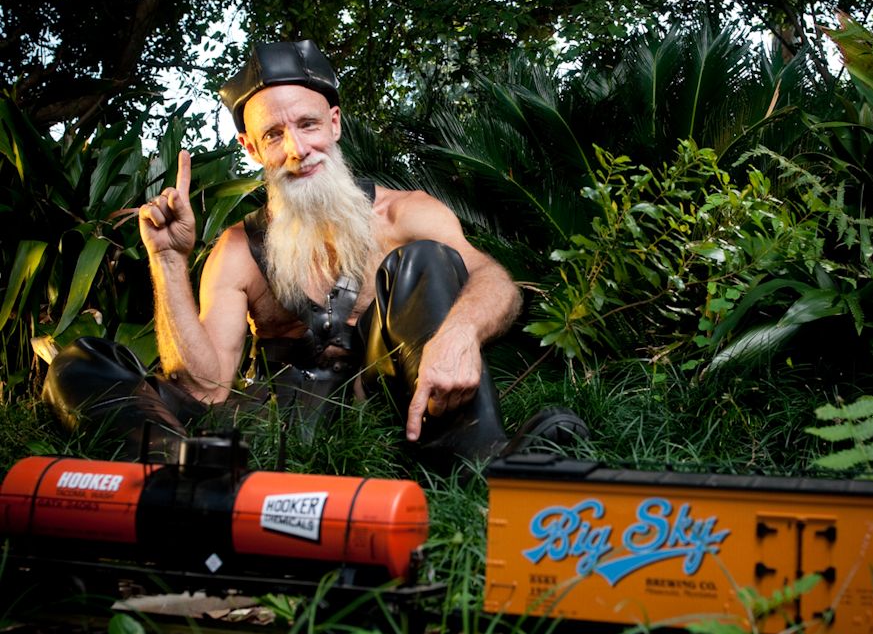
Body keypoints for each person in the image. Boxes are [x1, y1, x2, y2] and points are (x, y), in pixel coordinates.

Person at [42, 39, 587, 467]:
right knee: (82, 364)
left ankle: (476, 456)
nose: (297, 151)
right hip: (271, 424)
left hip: (393, 411)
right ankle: (174, 468)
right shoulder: (238, 249)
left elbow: (495, 281)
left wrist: (461, 331)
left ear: (335, 123)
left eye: (306, 125)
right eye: (274, 135)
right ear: (251, 149)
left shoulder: (403, 215)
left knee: (422, 259)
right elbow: (206, 386)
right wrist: (167, 260)